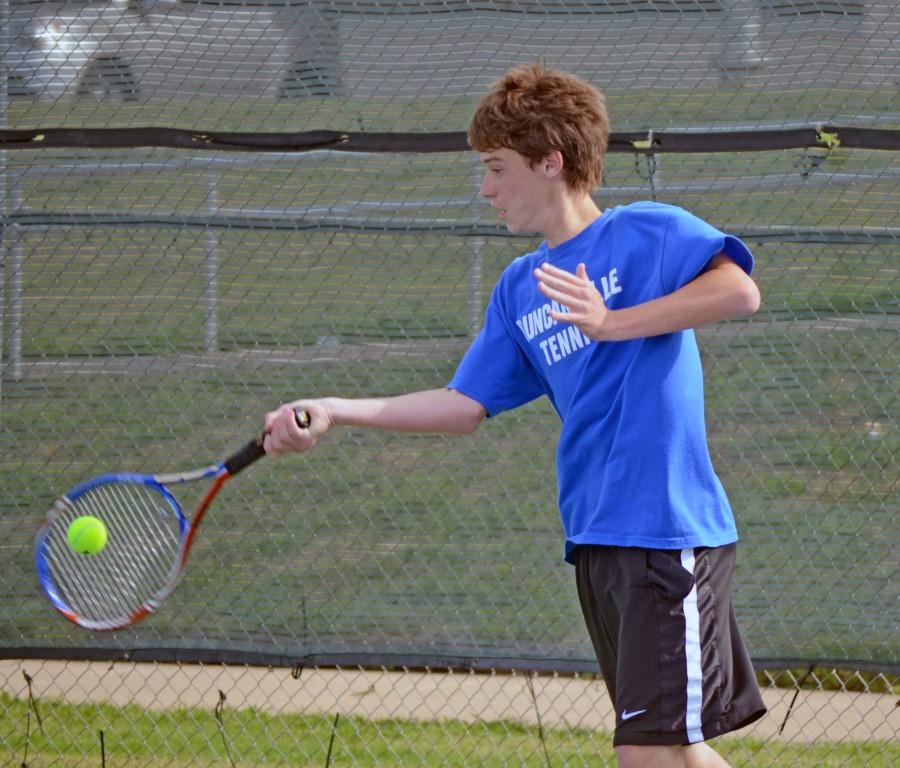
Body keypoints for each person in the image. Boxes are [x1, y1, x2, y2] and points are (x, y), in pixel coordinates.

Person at [264, 64, 767, 767]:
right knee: (672, 751)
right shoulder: (519, 289)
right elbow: (462, 405)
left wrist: (613, 322)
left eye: (498, 168)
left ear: (551, 161)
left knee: (645, 753)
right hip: (597, 535)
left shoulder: (644, 233)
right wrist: (336, 409)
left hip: (667, 530)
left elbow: (739, 291)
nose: (486, 189)